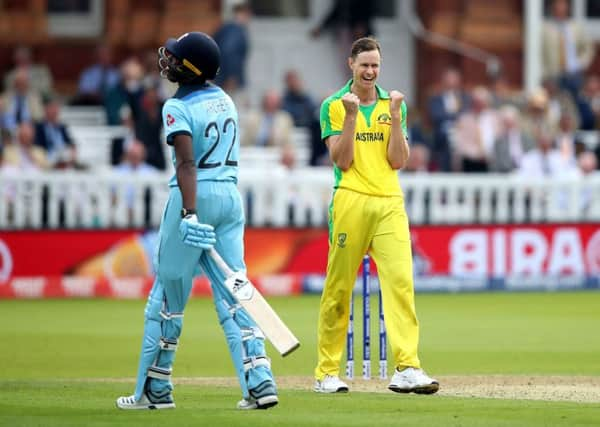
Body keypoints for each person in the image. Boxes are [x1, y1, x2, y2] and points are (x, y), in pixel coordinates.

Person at [115, 31, 278, 411]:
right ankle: (260, 381)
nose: (167, 62)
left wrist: (189, 212)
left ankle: (154, 390)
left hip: (194, 196)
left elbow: (186, 163)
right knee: (235, 292)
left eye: (174, 58)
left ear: (189, 69)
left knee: (168, 297)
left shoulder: (175, 107)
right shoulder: (225, 99)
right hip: (229, 199)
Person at [314, 36, 439, 395]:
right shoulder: (334, 106)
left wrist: (397, 118)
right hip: (350, 200)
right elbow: (342, 160)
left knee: (400, 284)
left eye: (375, 66)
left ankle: (407, 367)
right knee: (339, 288)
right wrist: (352, 116)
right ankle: (326, 372)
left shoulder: (392, 104)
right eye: (364, 64)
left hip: (389, 202)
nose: (370, 71)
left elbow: (399, 161)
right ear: (350, 65)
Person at [541, 0, 595, 97]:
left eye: (563, 5)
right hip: (554, 75)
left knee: (577, 102)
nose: (560, 9)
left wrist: (581, 63)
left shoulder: (575, 27)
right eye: (557, 5)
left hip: (574, 73)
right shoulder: (546, 28)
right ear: (553, 8)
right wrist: (545, 75)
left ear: (567, 8)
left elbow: (588, 48)